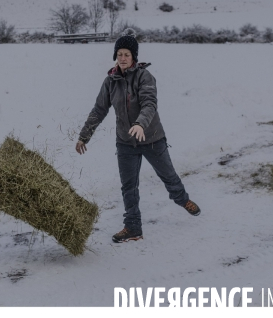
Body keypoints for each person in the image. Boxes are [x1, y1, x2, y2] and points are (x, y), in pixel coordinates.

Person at [75, 30, 200, 243]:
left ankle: (183, 199)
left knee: (168, 176)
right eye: (120, 54)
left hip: (151, 138)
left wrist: (140, 124)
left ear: (134, 57)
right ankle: (133, 227)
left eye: (127, 54)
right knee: (128, 187)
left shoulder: (144, 76)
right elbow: (99, 110)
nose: (123, 58)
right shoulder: (110, 81)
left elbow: (150, 104)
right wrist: (84, 136)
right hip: (125, 142)